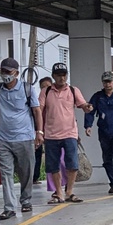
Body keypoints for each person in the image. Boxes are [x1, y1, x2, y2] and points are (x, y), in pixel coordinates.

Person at [0, 58, 43, 221]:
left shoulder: (27, 88)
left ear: (16, 73)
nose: (5, 75)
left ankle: (26, 200)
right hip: (3, 139)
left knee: (26, 172)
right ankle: (9, 207)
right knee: (6, 174)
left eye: (8, 72)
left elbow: (37, 111)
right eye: (2, 71)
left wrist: (39, 132)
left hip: (25, 138)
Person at [40, 62, 93, 204]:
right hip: (51, 134)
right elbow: (39, 110)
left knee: (72, 164)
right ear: (53, 76)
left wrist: (87, 107)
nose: (61, 78)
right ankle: (59, 192)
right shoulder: (46, 91)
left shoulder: (73, 90)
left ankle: (69, 191)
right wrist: (39, 131)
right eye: (58, 75)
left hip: (70, 133)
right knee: (53, 165)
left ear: (67, 75)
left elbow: (83, 105)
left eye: (64, 75)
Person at [33, 76, 53, 185]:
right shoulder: (37, 103)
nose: (45, 89)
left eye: (47, 86)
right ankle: (34, 177)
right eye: (42, 87)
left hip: (53, 131)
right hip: (40, 131)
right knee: (37, 153)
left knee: (53, 155)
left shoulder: (56, 100)